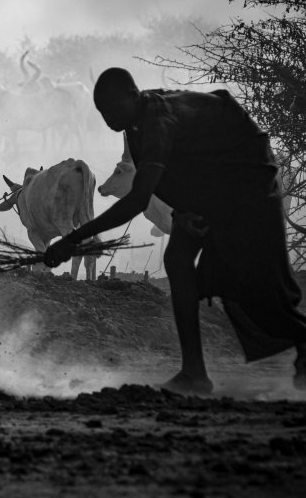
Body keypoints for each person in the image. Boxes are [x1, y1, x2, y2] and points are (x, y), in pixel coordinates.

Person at [44, 67, 306, 394]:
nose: (107, 119)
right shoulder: (137, 123)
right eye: (101, 113)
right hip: (209, 189)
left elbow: (138, 199)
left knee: (250, 282)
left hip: (245, 185)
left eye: (111, 109)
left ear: (132, 95)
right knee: (179, 259)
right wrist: (183, 210)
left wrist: (72, 239)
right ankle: (194, 373)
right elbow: (187, 163)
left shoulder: (157, 122)